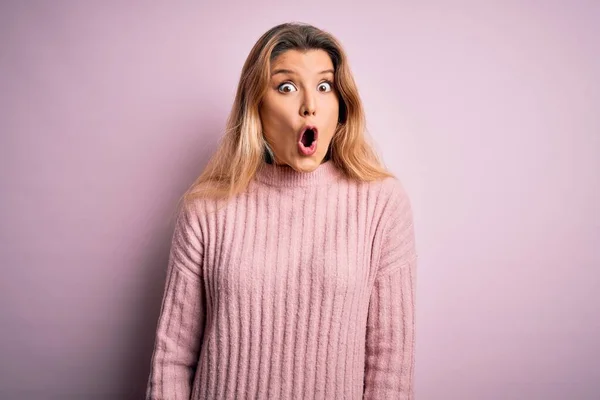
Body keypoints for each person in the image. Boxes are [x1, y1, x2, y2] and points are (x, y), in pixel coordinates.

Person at [145, 22, 418, 400]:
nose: (310, 104)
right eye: (286, 87)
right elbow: (172, 358)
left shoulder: (381, 204)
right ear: (256, 105)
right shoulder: (206, 208)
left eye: (324, 86)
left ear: (341, 106)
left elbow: (389, 367)